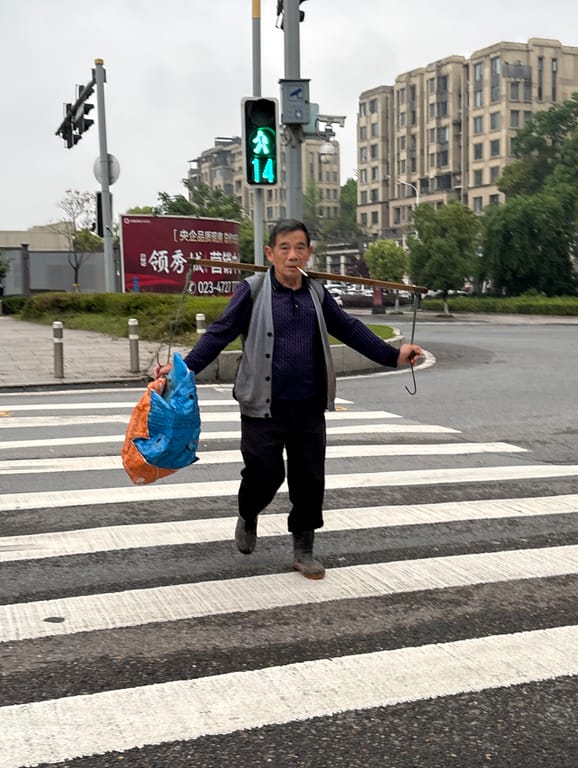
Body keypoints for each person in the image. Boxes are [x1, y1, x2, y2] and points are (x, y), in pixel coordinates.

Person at [154, 219, 424, 580]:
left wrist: (392, 355)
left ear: (309, 253)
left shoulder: (317, 294)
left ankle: (304, 548)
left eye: (299, 248)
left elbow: (348, 328)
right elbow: (218, 334)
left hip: (308, 406)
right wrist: (179, 372)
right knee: (264, 475)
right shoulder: (252, 290)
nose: (292, 255)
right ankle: (248, 512)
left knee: (309, 480)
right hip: (262, 407)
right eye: (284, 248)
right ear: (270, 253)